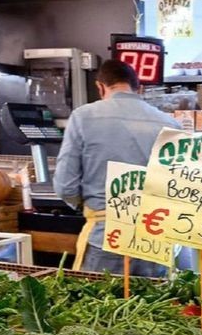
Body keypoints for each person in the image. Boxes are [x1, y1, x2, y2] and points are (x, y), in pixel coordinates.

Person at [54, 59, 194, 277]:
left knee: (97, 306)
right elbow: (181, 185)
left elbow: (65, 186)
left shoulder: (83, 117)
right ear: (140, 88)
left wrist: (93, 208)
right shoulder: (171, 123)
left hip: (107, 236)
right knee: (154, 307)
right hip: (156, 236)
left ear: (100, 87)